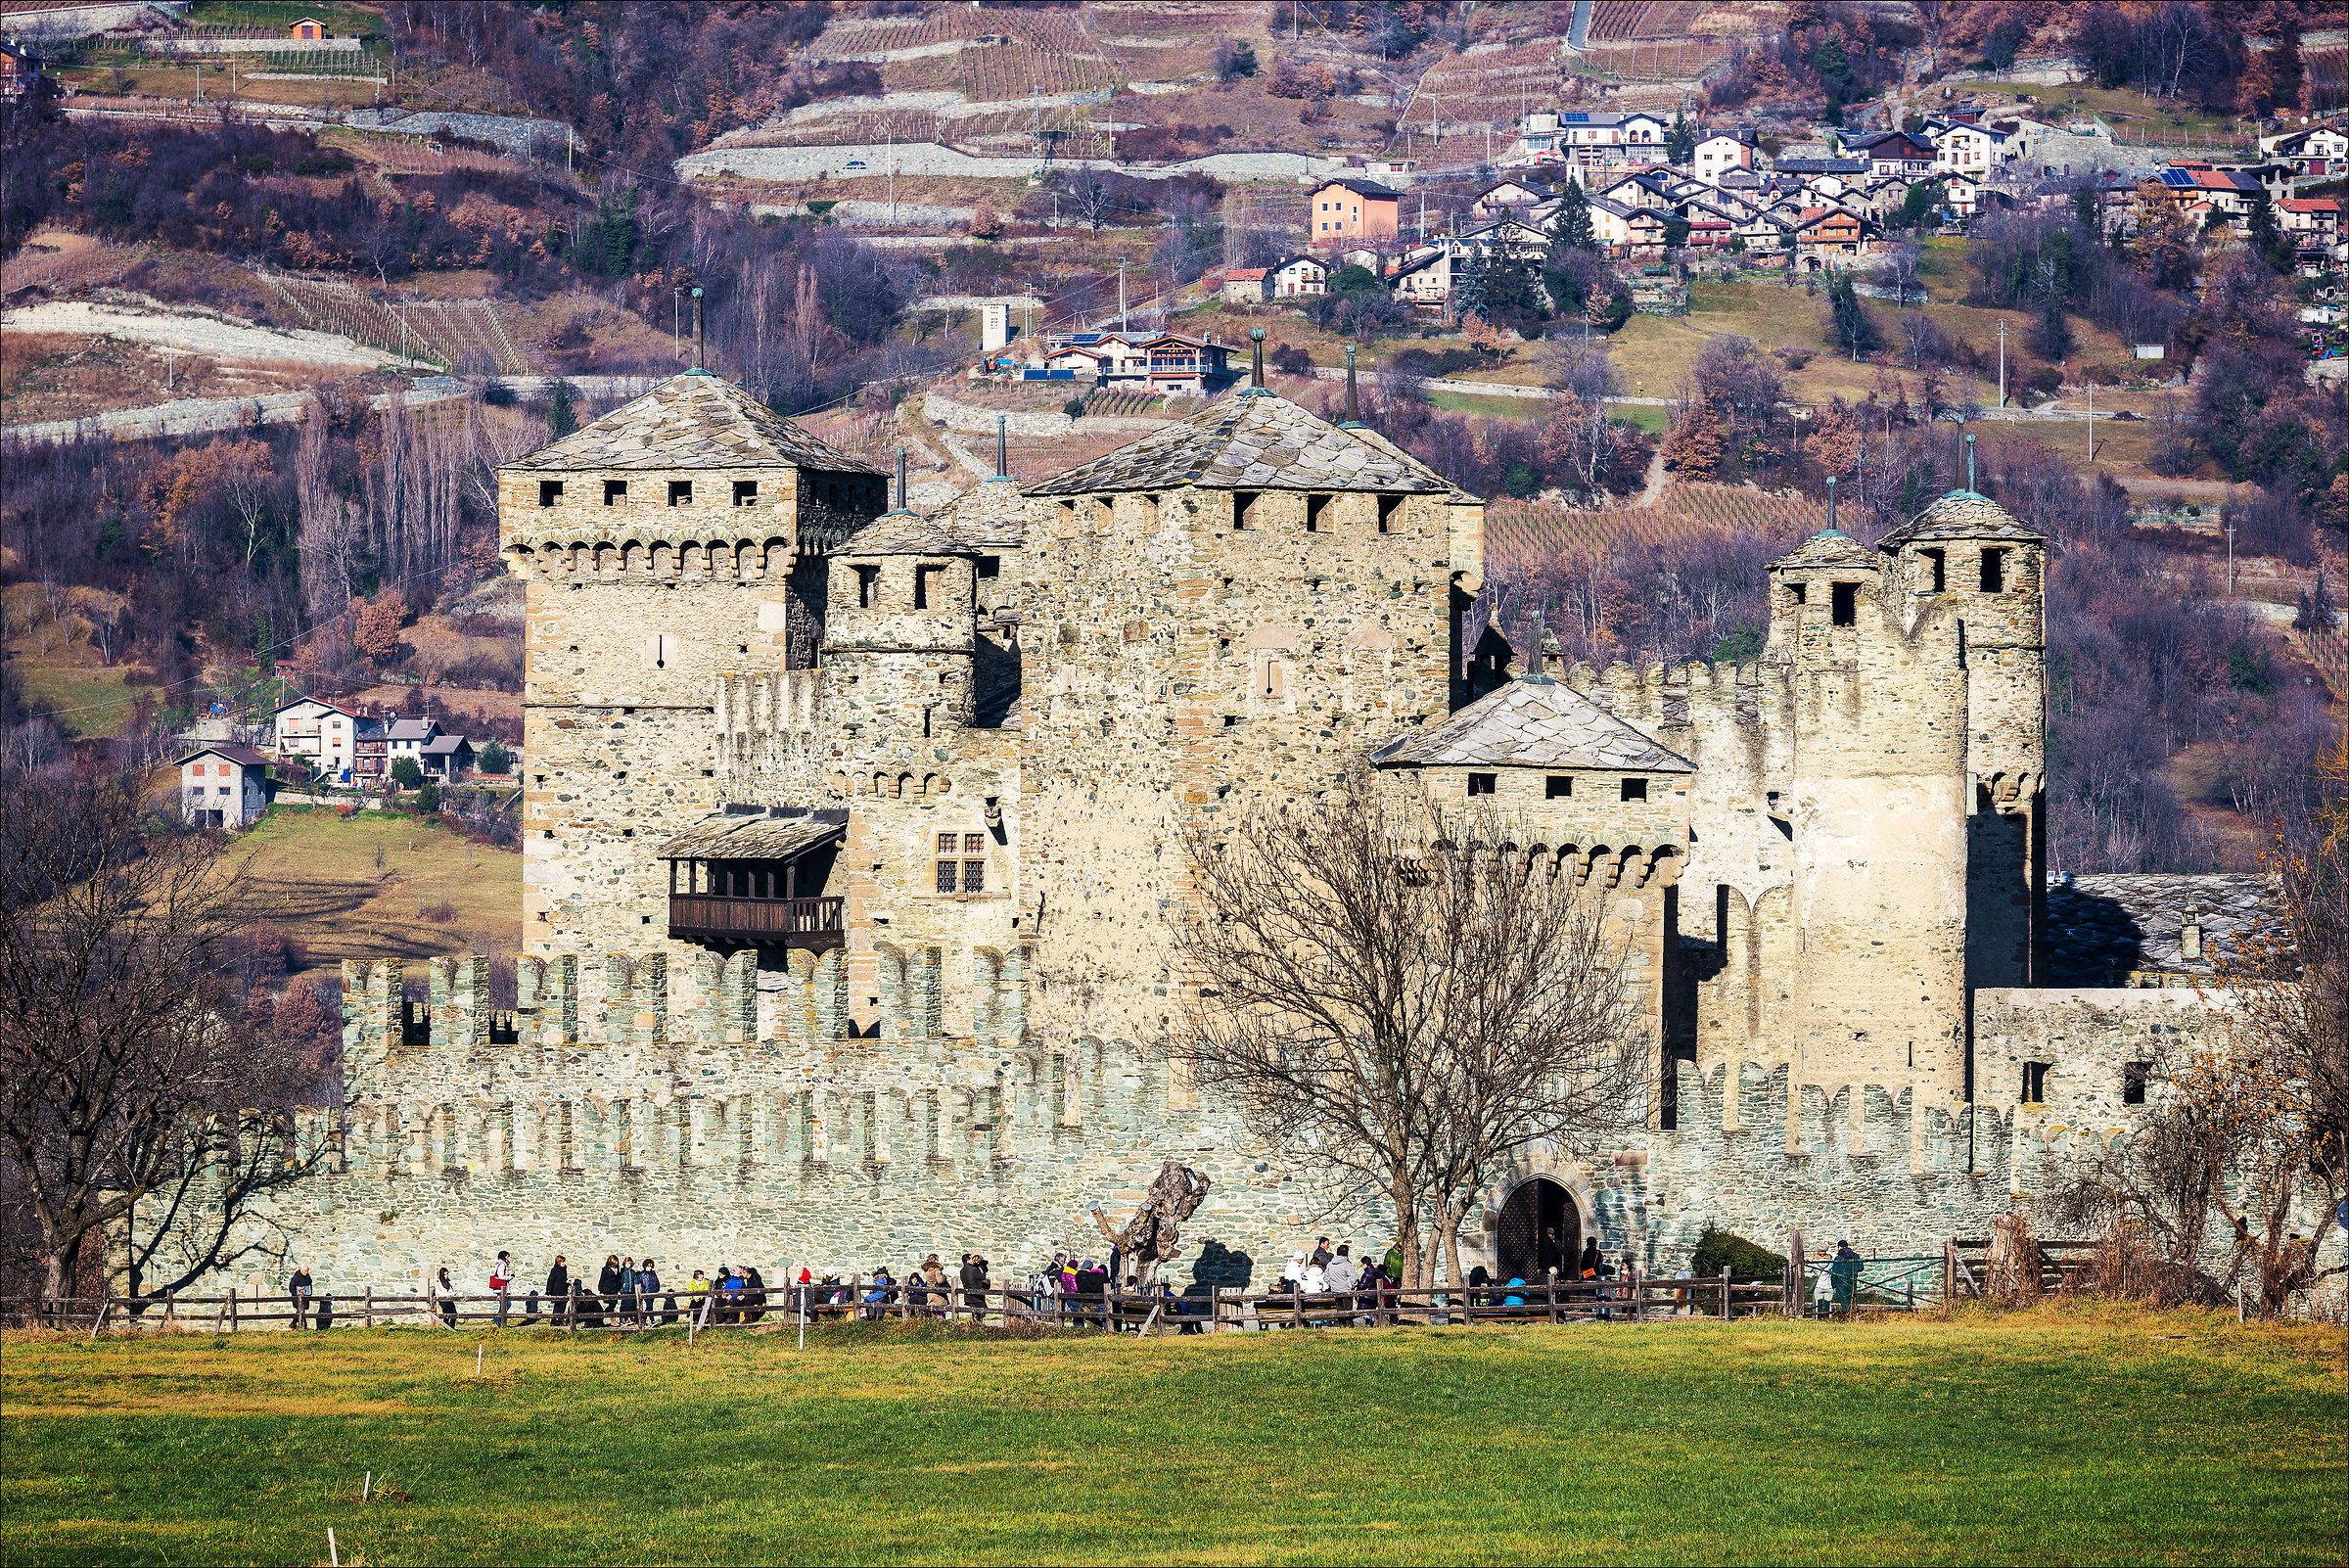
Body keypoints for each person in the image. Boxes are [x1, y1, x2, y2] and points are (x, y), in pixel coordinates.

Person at [1830, 1239, 1864, 1317]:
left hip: (1841, 1282)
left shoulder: (1838, 1258)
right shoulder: (1856, 1256)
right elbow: (1860, 1268)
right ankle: (1854, 1317)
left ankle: (1848, 1317)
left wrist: (1833, 1284)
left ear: (1839, 1247)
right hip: (1852, 1281)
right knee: (1853, 1300)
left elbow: (1834, 1272)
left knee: (1844, 1302)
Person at [962, 1254, 990, 1318]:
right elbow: (983, 1277)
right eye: (972, 1259)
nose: (973, 1260)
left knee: (975, 1312)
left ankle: (975, 1326)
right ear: (968, 1260)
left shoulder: (963, 1270)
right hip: (976, 1295)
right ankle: (977, 1325)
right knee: (983, 1310)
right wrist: (982, 1267)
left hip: (968, 1295)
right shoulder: (973, 1269)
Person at [542, 1255, 569, 1322]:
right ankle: (554, 1321)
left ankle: (559, 1319)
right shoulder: (555, 1270)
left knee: (562, 1305)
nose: (564, 1263)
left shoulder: (564, 1270)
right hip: (557, 1290)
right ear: (559, 1262)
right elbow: (551, 1280)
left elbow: (563, 1280)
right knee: (557, 1306)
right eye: (563, 1262)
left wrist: (567, 1282)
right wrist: (548, 1290)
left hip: (563, 1290)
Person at [489, 1252, 513, 1327]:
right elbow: (501, 1276)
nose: (509, 1258)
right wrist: (509, 1277)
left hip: (502, 1288)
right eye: (508, 1256)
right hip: (501, 1288)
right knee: (506, 1304)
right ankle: (497, 1319)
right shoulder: (502, 1265)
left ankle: (500, 1321)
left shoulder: (503, 1264)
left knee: (504, 1305)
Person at [288, 1265, 313, 1330]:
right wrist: (296, 1295)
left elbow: (310, 1286)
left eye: (307, 1271)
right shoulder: (296, 1277)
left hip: (305, 1297)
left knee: (301, 1311)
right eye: (305, 1271)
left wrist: (309, 1294)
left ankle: (294, 1324)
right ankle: (303, 1326)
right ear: (301, 1270)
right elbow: (291, 1287)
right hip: (297, 1297)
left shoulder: (308, 1277)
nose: (306, 1272)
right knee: (300, 1310)